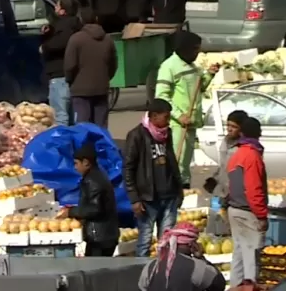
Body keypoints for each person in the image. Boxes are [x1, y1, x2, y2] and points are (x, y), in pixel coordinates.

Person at [155, 31, 217, 188]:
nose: (197, 53)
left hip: (190, 123)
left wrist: (209, 75)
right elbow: (161, 97)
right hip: (176, 126)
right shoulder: (169, 67)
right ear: (184, 49)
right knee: (176, 162)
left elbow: (199, 87)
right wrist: (178, 115)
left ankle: (184, 187)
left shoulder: (193, 67)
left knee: (185, 162)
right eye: (195, 49)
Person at [124, 98, 184, 257]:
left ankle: (164, 273)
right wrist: (134, 199)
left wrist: (179, 190)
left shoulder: (167, 134)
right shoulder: (136, 136)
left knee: (167, 240)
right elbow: (128, 168)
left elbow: (172, 162)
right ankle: (141, 274)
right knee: (144, 240)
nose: (168, 121)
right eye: (166, 117)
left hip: (169, 196)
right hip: (148, 199)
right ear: (154, 116)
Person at [226, 117, 268, 288]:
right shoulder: (252, 155)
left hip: (234, 209)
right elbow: (253, 189)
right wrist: (261, 215)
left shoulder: (237, 154)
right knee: (251, 255)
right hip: (247, 211)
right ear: (259, 135)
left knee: (239, 253)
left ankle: (235, 286)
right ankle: (251, 287)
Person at [59, 143, 119, 256]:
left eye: (76, 163)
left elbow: (94, 209)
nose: (75, 167)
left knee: (95, 270)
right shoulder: (97, 176)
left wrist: (71, 212)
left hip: (99, 238)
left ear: (86, 163)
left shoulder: (92, 181)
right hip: (105, 235)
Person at [63, 8, 117, 128]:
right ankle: (101, 147)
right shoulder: (108, 40)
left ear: (80, 20)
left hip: (80, 90)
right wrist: (105, 78)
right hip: (101, 89)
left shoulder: (75, 39)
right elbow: (113, 65)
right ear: (96, 19)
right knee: (101, 126)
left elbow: (70, 65)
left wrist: (70, 81)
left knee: (83, 127)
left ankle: (86, 147)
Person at [137, 223, 227, 291]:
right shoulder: (196, 267)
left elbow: (142, 287)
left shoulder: (151, 266)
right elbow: (219, 284)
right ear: (192, 244)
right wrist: (201, 257)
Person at [40, 0, 81, 126]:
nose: (55, 9)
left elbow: (60, 43)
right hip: (73, 75)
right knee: (72, 116)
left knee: (60, 115)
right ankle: (74, 144)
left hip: (59, 73)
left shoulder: (64, 26)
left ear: (63, 11)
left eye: (57, 6)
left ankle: (63, 144)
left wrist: (44, 47)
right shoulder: (77, 25)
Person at [203, 110, 249, 204]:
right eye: (228, 125)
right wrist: (214, 179)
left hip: (237, 194)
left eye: (234, 127)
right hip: (222, 190)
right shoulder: (226, 140)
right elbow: (223, 165)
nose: (229, 129)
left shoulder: (245, 146)